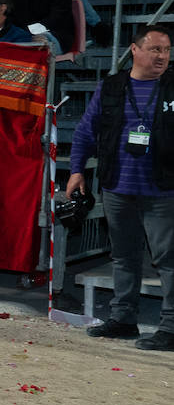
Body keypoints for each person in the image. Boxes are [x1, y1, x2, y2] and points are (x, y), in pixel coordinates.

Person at [65, 23, 174, 351]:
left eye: (166, 50)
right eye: (155, 49)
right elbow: (86, 131)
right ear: (135, 50)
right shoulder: (111, 87)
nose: (162, 56)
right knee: (124, 256)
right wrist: (76, 171)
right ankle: (123, 319)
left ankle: (170, 327)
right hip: (118, 186)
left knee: (168, 259)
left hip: (163, 189)